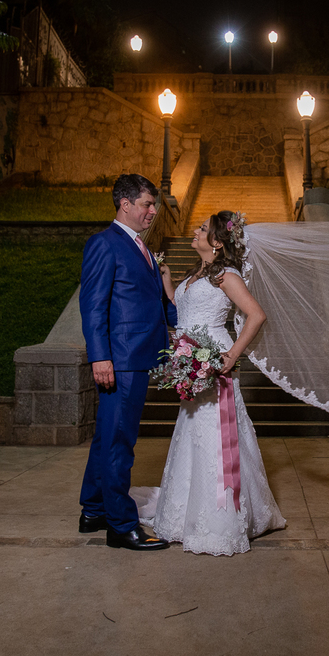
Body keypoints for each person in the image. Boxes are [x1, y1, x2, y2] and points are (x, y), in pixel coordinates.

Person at [133, 211, 286, 555]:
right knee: (193, 433)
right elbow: (184, 309)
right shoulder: (197, 273)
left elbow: (256, 315)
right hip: (191, 360)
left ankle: (222, 520)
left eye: (202, 229)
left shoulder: (226, 275)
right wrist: (168, 282)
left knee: (218, 436)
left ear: (216, 242)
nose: (195, 231)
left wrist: (231, 355)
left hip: (213, 361)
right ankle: (187, 512)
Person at [78, 173, 177, 551]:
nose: (153, 211)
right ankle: (121, 526)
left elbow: (150, 301)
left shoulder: (142, 248)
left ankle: (93, 510)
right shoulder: (105, 244)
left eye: (154, 205)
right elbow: (93, 306)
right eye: (147, 204)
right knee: (119, 441)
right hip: (120, 359)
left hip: (137, 355)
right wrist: (100, 356)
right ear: (125, 204)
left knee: (108, 435)